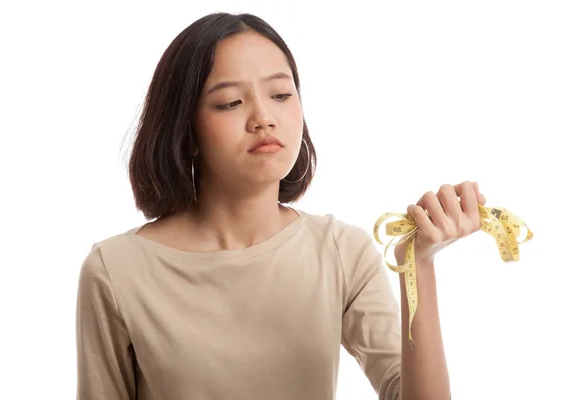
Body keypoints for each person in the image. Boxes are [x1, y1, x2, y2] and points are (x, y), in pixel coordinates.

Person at [76, 11, 485, 400]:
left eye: (281, 94)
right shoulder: (116, 271)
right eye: (230, 103)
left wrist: (419, 265)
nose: (263, 118)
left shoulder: (341, 252)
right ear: (185, 129)